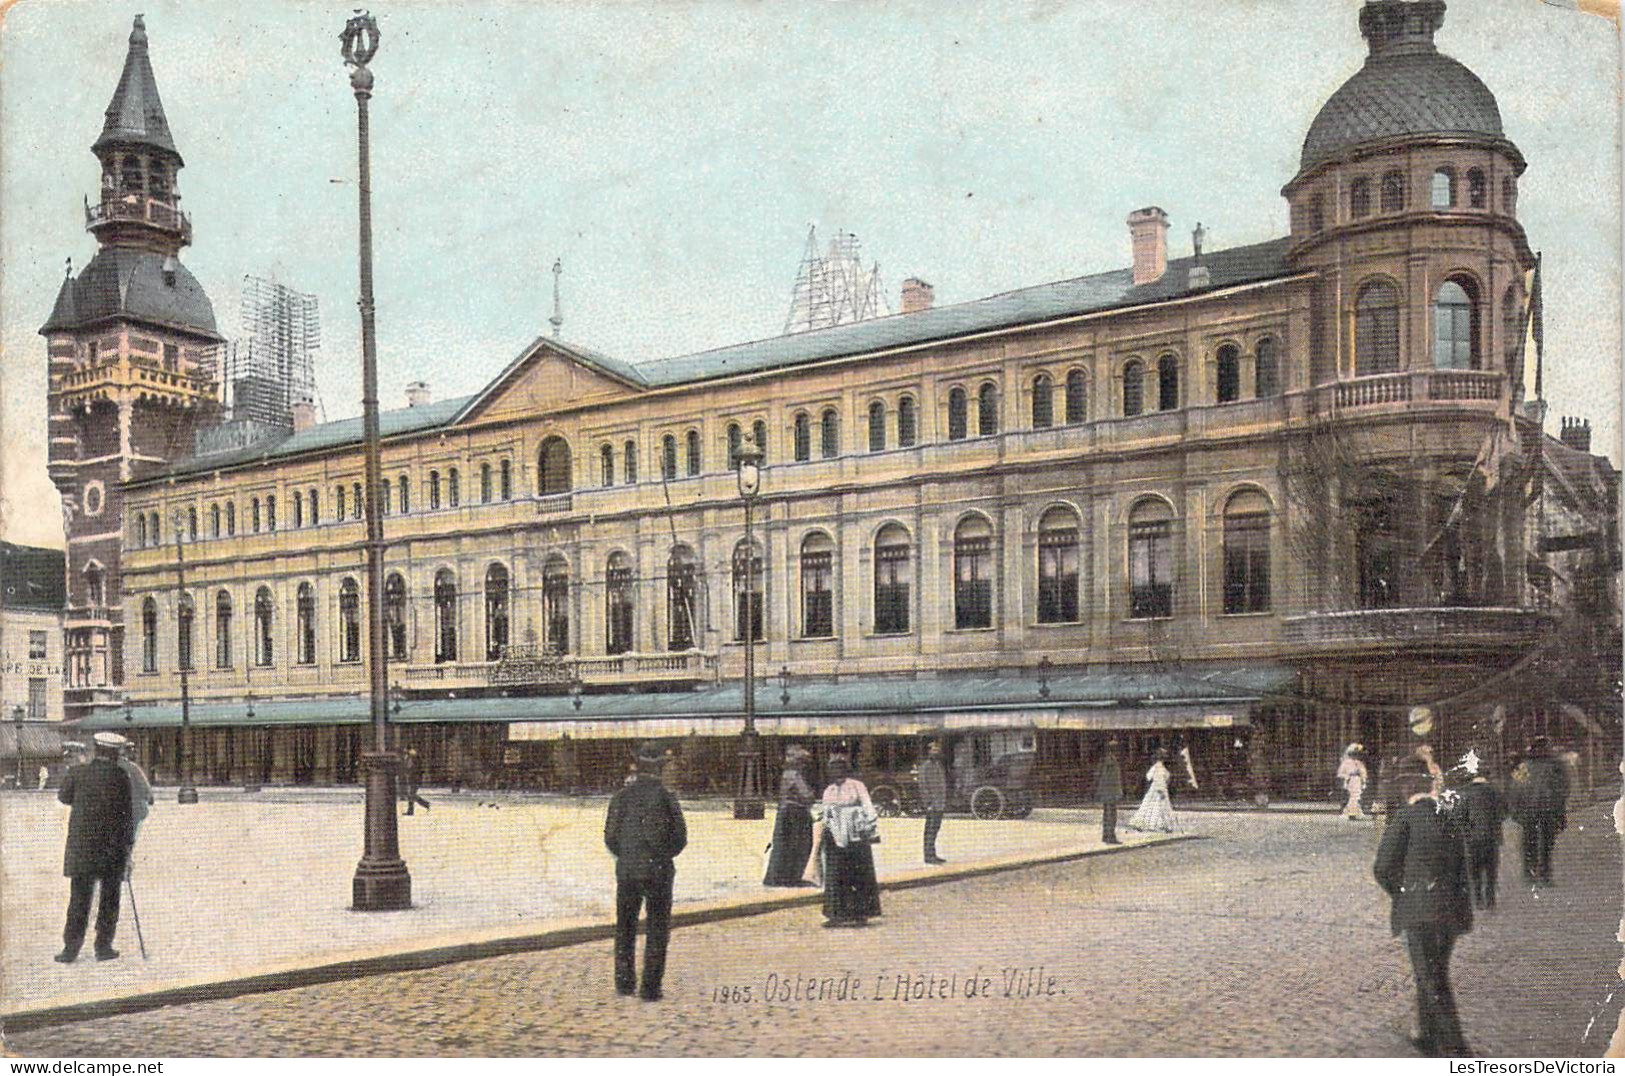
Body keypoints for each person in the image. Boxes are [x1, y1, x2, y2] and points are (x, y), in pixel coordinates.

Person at [1374, 758, 1474, 1058]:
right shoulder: (1448, 817)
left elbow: (1382, 867)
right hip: (1451, 912)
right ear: (1429, 786)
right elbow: (1461, 869)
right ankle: (1427, 1036)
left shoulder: (1403, 818)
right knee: (1433, 971)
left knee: (1432, 978)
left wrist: (1402, 893)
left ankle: (1458, 1050)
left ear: (1406, 788)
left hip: (1419, 912)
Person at [604, 741, 687, 1001]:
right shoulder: (666, 796)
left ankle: (624, 982)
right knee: (657, 929)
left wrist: (627, 855)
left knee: (625, 927)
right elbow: (680, 837)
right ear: (660, 767)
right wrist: (662, 854)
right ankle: (650, 987)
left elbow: (610, 837)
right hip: (658, 870)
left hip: (627, 870)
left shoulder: (621, 796)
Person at [55, 732, 134, 963]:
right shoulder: (121, 776)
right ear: (115, 753)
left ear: (97, 750)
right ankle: (103, 947)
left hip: (82, 846)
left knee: (79, 898)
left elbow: (63, 797)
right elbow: (127, 816)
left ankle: (70, 949)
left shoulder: (77, 772)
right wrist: (128, 848)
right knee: (109, 897)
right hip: (111, 847)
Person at [813, 755, 881, 927]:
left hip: (855, 833)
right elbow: (826, 811)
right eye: (833, 768)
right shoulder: (829, 791)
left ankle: (861, 913)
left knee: (859, 873)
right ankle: (836, 914)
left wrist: (868, 824)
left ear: (846, 769)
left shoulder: (857, 786)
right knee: (836, 875)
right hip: (835, 835)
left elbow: (868, 806)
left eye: (840, 767)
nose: (837, 772)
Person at [1510, 735, 1570, 886]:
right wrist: (1560, 810)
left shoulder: (1524, 766)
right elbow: (1563, 790)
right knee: (1546, 845)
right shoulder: (1556, 766)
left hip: (1529, 811)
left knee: (1529, 842)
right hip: (1548, 810)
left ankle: (1530, 874)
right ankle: (1544, 875)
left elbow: (1515, 790)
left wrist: (1515, 810)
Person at [763, 746, 818, 886]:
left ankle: (778, 877)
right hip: (796, 813)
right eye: (804, 762)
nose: (805, 766)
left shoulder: (786, 774)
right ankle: (792, 877)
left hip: (785, 812)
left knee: (783, 845)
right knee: (800, 845)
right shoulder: (795, 775)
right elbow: (806, 796)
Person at [1458, 760, 1506, 910]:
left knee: (1475, 869)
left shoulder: (1465, 792)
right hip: (1492, 837)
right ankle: (1490, 899)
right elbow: (1504, 812)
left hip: (1473, 838)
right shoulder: (1495, 791)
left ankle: (1478, 898)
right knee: (1491, 869)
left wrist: (1466, 830)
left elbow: (1460, 816)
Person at [117, 742, 155, 869]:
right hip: (134, 809)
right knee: (131, 835)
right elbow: (145, 787)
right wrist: (150, 798)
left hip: (114, 809)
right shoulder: (133, 768)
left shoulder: (111, 768)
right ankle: (126, 859)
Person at [1126, 749, 1176, 833]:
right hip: (1160, 789)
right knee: (1160, 807)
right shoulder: (1159, 767)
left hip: (1155, 788)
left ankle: (1147, 824)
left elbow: (1148, 776)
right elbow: (1158, 779)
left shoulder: (1157, 767)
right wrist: (1161, 790)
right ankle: (1161, 825)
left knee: (1150, 806)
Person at [918, 741, 948, 864]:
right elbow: (923, 786)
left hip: (940, 802)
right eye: (933, 750)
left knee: (935, 829)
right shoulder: (925, 767)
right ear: (928, 751)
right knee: (930, 830)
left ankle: (933, 854)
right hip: (932, 804)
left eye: (937, 750)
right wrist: (928, 803)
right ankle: (928, 856)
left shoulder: (938, 765)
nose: (936, 752)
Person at [1094, 739, 1123, 844]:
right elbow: (1108, 777)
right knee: (1111, 815)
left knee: (1108, 814)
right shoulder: (1109, 761)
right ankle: (1110, 836)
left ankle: (1107, 835)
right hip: (1110, 791)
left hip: (1109, 791)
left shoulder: (1108, 759)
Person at [1336, 743, 1370, 821]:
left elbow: (1363, 773)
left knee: (1357, 796)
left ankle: (1355, 812)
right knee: (1352, 796)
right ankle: (1351, 813)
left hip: (1357, 781)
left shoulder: (1359, 763)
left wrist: (1363, 781)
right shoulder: (1346, 763)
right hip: (1350, 781)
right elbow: (1341, 773)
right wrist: (1346, 778)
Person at [402, 748, 430, 815]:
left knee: (411, 795)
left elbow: (412, 769)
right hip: (413, 779)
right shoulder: (411, 758)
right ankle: (412, 810)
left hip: (414, 779)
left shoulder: (413, 759)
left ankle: (425, 804)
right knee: (411, 795)